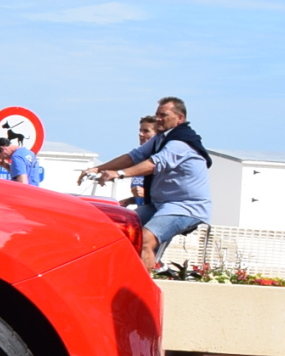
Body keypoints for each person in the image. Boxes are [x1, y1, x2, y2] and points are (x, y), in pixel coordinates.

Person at [87, 96, 211, 270]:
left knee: (145, 240)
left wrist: (119, 174)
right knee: (119, 229)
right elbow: (133, 157)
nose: (158, 119)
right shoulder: (160, 140)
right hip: (158, 205)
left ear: (180, 118)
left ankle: (142, 293)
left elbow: (154, 164)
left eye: (163, 115)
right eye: (157, 115)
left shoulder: (181, 143)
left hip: (185, 207)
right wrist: (98, 169)